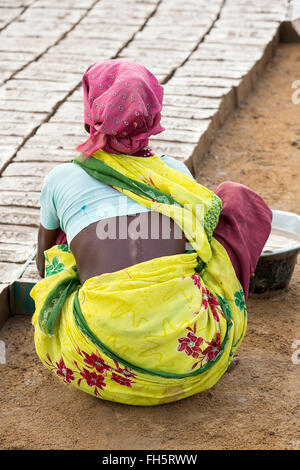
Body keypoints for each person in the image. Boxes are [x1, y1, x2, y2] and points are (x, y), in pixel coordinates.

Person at [31, 60, 272, 406]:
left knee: (63, 243)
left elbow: (43, 268)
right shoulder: (173, 173)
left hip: (95, 356)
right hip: (193, 358)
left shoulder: (60, 179)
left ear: (91, 110)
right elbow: (199, 251)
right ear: (153, 117)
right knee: (222, 207)